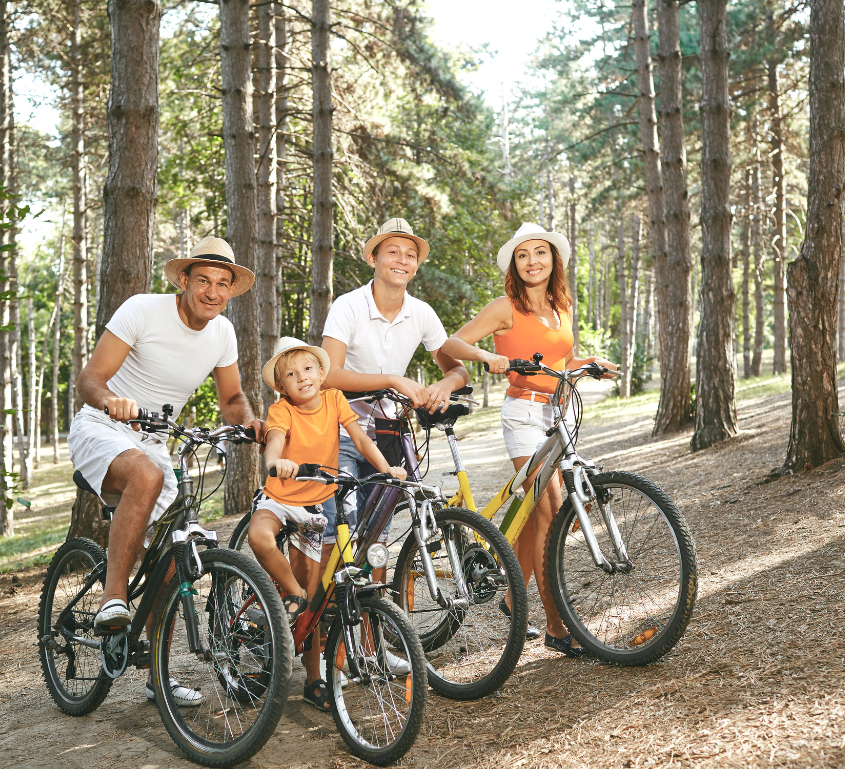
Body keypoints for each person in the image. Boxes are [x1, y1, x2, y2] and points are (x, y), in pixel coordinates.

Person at [69, 236, 264, 706]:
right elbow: (89, 380)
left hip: (156, 440)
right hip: (101, 427)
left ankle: (158, 675)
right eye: (203, 281)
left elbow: (231, 398)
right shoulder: (143, 310)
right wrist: (110, 400)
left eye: (222, 284)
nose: (212, 293)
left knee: (170, 555)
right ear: (183, 279)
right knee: (148, 477)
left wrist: (250, 420)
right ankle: (113, 600)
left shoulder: (222, 334)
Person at [440, 222, 617, 658]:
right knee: (553, 510)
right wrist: (487, 357)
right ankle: (558, 627)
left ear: (554, 260)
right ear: (514, 266)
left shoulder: (563, 305)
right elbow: (449, 343)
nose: (533, 261)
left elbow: (562, 358)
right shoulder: (505, 307)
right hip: (522, 414)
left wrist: (591, 362)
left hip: (561, 411)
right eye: (523, 255)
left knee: (544, 514)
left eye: (541, 252)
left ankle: (511, 595)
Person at [319, 217, 469, 675]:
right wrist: (391, 378)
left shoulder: (420, 313)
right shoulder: (348, 305)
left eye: (410, 255)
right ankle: (329, 653)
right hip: (341, 432)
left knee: (378, 539)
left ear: (417, 265)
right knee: (335, 538)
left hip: (389, 432)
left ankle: (370, 644)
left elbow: (457, 368)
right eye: (392, 252)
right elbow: (328, 374)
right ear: (373, 258)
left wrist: (444, 385)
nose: (402, 260)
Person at [249, 337, 406, 711]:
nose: (301, 377)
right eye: (290, 373)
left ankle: (314, 679)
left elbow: (362, 440)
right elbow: (273, 442)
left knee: (317, 595)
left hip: (318, 504)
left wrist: (386, 469)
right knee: (260, 537)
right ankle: (290, 592)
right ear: (280, 386)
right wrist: (276, 463)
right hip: (282, 498)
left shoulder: (335, 400)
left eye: (307, 369)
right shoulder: (281, 411)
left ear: (321, 373)